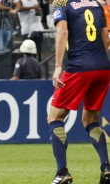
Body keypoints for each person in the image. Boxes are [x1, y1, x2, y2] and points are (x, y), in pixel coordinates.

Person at [48, 0, 110, 182]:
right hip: (103, 67)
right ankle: (106, 167)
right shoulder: (97, 4)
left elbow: (63, 31)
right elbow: (106, 38)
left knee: (55, 117)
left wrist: (58, 66)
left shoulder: (60, 3)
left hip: (78, 67)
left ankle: (62, 172)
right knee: (91, 120)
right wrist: (95, 59)